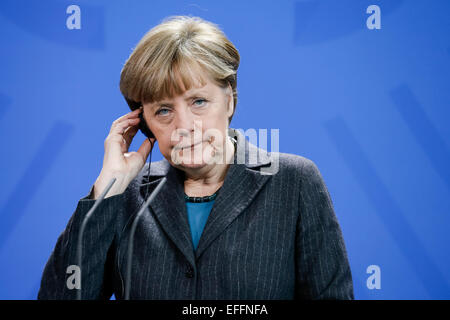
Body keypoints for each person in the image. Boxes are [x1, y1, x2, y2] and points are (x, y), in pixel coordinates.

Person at [38, 16, 354, 300]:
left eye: (199, 101)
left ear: (229, 101)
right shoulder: (124, 196)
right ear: (144, 123)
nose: (184, 126)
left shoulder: (293, 181)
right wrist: (107, 188)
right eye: (163, 110)